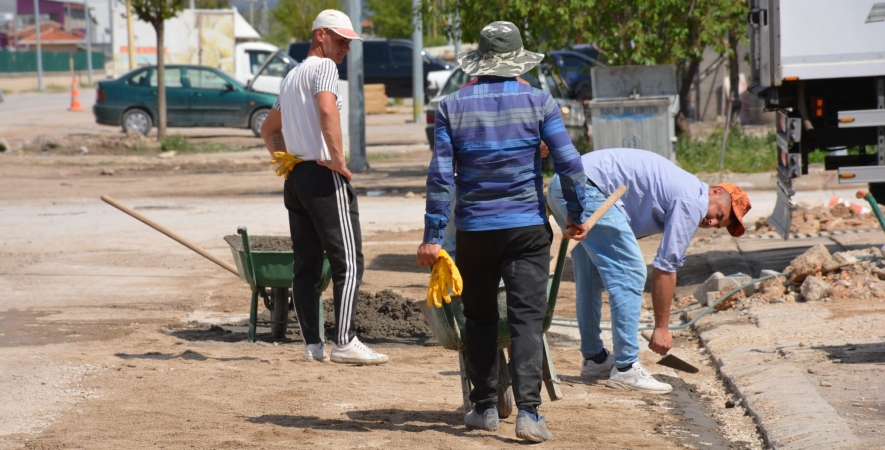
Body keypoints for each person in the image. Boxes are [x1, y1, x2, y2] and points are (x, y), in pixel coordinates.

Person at [416, 22, 591, 443]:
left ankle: (484, 408)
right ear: (517, 62)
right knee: (527, 321)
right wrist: (577, 212)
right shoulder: (539, 102)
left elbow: (441, 177)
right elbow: (570, 163)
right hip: (527, 228)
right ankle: (529, 414)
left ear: (480, 61)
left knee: (478, 318)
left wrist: (433, 235)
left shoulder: (451, 106)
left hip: (475, 229)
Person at [546, 148, 752, 393]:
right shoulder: (692, 201)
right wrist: (662, 328)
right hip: (586, 187)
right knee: (630, 271)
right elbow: (665, 266)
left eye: (719, 225)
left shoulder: (684, 187)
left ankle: (595, 360)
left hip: (564, 184)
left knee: (591, 274)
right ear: (717, 192)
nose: (712, 223)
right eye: (720, 214)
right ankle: (626, 368)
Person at [260, 9, 388, 365]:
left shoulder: (290, 78)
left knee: (306, 265)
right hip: (321, 174)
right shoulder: (324, 69)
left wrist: (285, 159)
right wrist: (338, 160)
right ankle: (344, 340)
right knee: (349, 260)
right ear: (321, 36)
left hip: (297, 177)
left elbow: (268, 130)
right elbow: (327, 110)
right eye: (341, 39)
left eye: (349, 41)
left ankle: (313, 345)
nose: (347, 47)